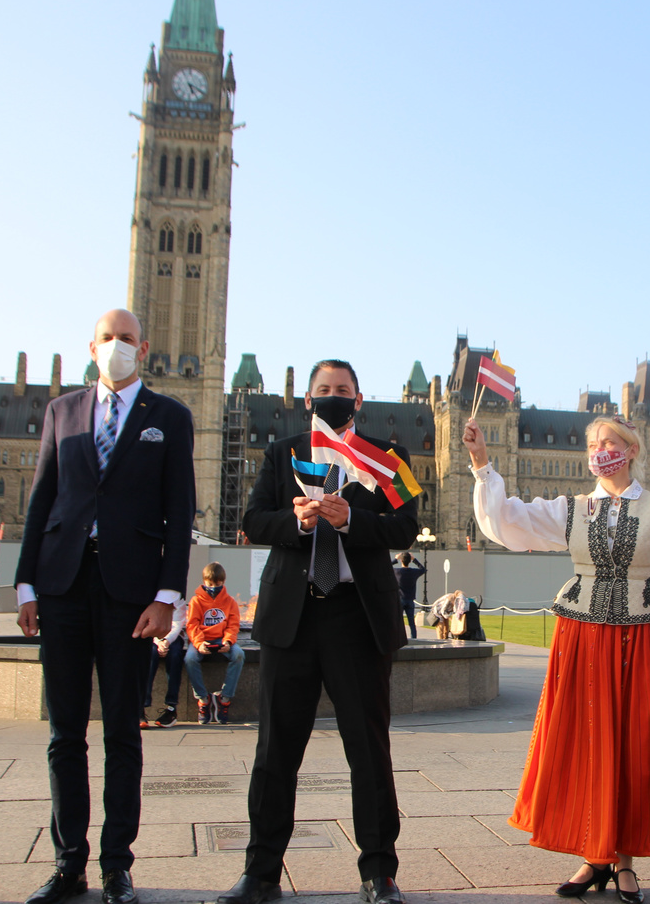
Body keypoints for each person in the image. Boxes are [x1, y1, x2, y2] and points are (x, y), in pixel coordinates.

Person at [465, 413, 650, 904]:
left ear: (631, 450)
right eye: (594, 443)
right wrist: (481, 463)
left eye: (610, 442)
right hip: (581, 638)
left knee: (630, 745)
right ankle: (593, 855)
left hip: (643, 641)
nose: (600, 450)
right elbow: (507, 523)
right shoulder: (572, 508)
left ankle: (623, 861)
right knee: (586, 744)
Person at [219, 360, 418, 904]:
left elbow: (407, 525)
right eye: (323, 390)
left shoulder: (389, 457)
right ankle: (261, 873)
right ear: (308, 400)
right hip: (293, 617)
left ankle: (379, 873)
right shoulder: (281, 452)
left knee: (368, 751)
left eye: (343, 391)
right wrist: (299, 521)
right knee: (275, 752)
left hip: (357, 617)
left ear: (359, 400)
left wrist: (350, 521)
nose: (333, 397)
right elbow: (253, 520)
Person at [15, 308, 196, 904]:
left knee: (123, 731)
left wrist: (167, 597)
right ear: (90, 347)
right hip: (63, 583)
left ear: (142, 348)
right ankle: (69, 863)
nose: (117, 346)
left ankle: (117, 864)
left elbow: (180, 507)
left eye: (126, 338)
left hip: (131, 593)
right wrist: (25, 586)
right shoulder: (61, 411)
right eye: (107, 338)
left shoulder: (169, 416)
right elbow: (41, 499)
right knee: (64, 733)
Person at [184, 561, 245, 725]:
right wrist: (199, 643)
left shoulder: (230, 601)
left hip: (222, 639)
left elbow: (233, 625)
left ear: (223, 582)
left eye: (217, 584)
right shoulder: (196, 601)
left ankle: (224, 698)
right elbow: (192, 625)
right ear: (204, 582)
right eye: (210, 584)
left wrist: (228, 640)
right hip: (202, 639)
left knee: (238, 654)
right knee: (190, 659)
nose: (213, 587)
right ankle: (203, 699)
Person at [141, 593, 186, 729]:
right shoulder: (149, 596)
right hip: (153, 636)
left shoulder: (177, 597)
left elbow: (177, 624)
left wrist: (166, 641)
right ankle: (141, 706)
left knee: (175, 655)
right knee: (150, 655)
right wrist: (159, 641)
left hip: (173, 637)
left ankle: (171, 707)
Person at [391, 552, 426, 638]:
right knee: (411, 622)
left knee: (398, 621)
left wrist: (396, 559)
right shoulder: (413, 572)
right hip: (410, 599)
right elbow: (423, 569)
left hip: (400, 599)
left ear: (401, 561)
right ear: (409, 561)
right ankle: (414, 638)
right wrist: (414, 559)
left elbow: (386, 567)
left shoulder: (397, 572)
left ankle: (398, 637)